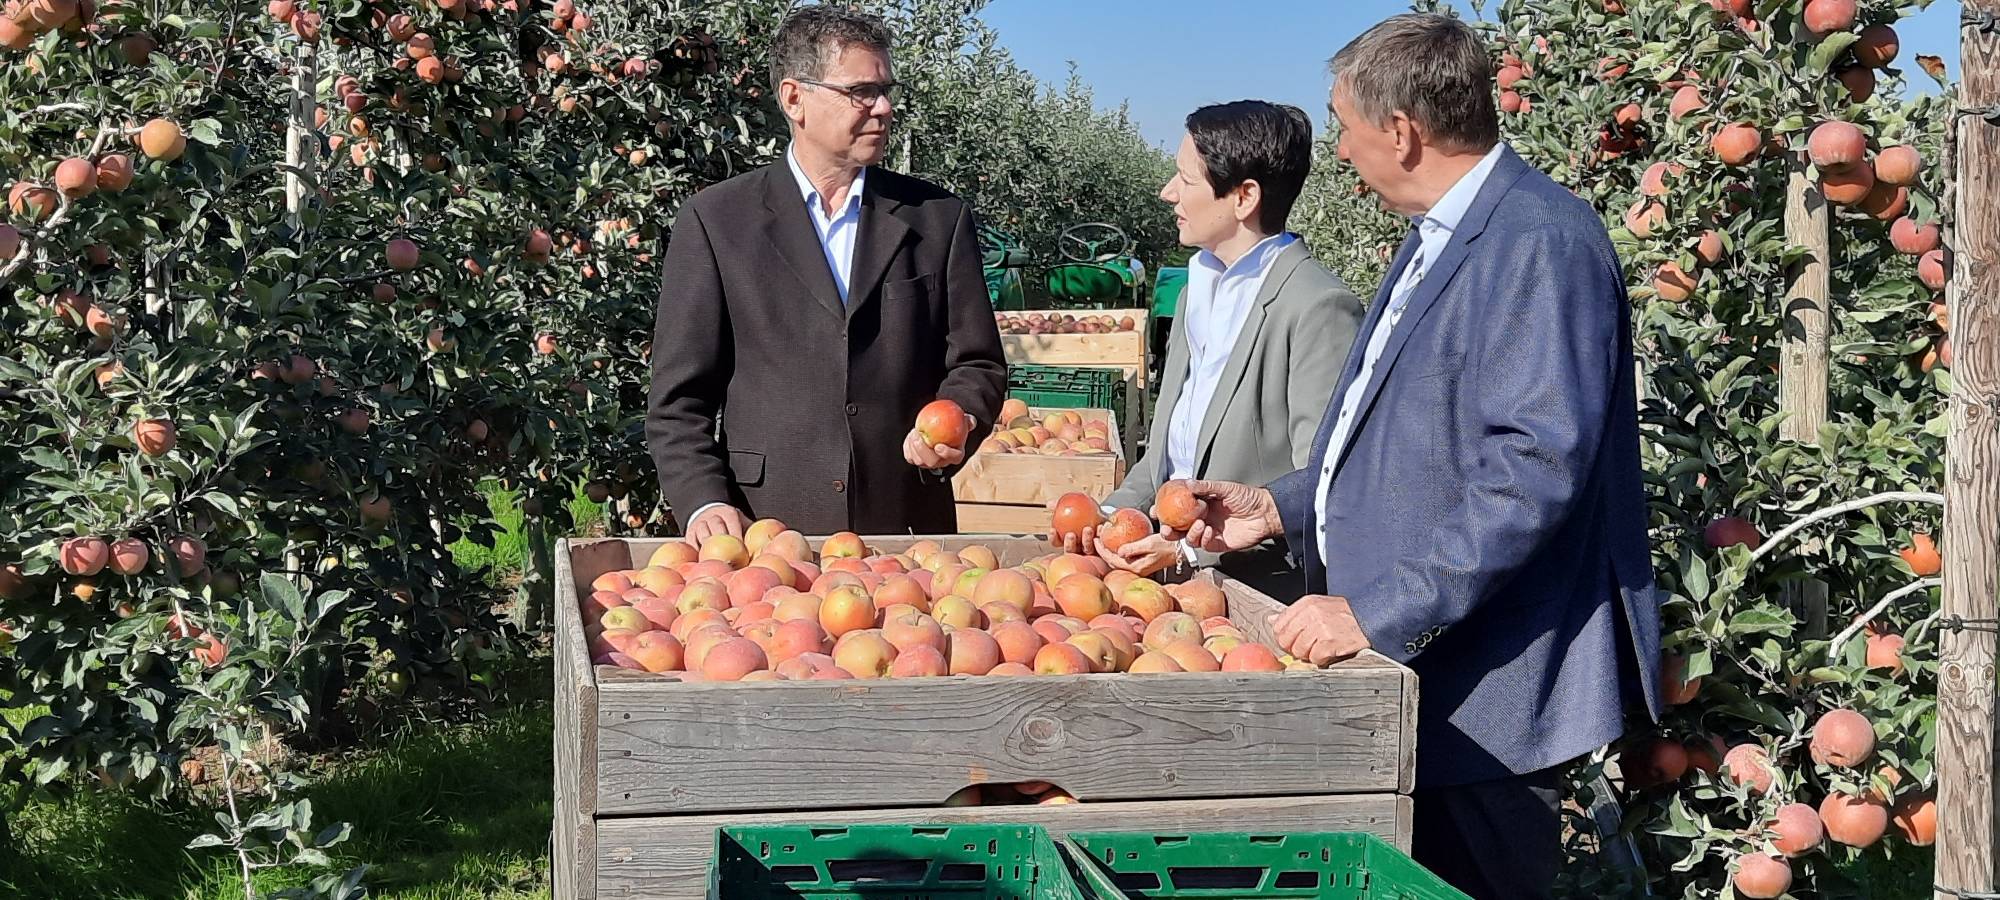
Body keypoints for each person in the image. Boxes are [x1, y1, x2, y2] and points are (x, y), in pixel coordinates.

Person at [1163, 14, 1660, 899]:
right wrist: (1280, 506)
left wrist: (1379, 612)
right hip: (1419, 681)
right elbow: (1399, 440)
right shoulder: (1440, 236)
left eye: (1345, 125)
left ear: (1401, 131)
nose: (1339, 150)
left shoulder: (1539, 241)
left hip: (1486, 696)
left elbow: (1535, 471)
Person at [645, 6, 1006, 540]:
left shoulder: (936, 220)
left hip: (904, 528)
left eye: (886, 90)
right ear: (795, 99)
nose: (883, 107)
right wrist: (703, 500)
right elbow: (679, 400)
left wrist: (961, 416)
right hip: (764, 535)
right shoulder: (718, 221)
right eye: (861, 92)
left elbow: (978, 362)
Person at [1061, 101, 1362, 599]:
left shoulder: (1317, 307)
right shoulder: (1193, 293)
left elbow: (1322, 486)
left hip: (1256, 596)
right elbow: (1165, 460)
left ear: (1244, 197)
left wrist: (1189, 551)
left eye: (1186, 179)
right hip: (1169, 594)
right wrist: (1109, 517)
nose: (1168, 192)